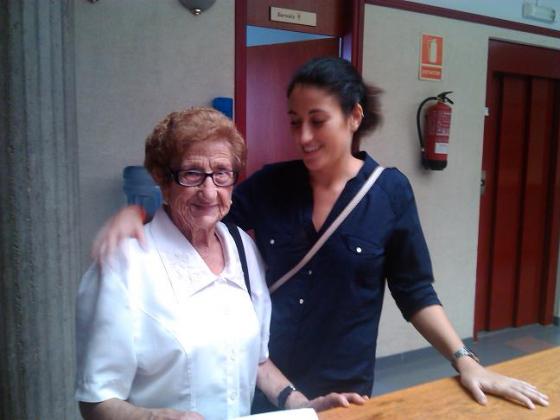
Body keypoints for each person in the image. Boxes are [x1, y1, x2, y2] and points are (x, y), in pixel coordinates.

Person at [92, 58, 549, 412]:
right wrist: (137, 212)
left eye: (317, 120)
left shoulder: (389, 192)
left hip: (342, 388)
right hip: (261, 381)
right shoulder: (271, 184)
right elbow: (201, 211)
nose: (304, 136)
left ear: (354, 116)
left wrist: (465, 359)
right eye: (294, 121)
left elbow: (414, 290)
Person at [75, 107, 366, 420]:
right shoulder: (125, 265)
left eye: (222, 173)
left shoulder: (243, 248)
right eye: (192, 173)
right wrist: (156, 418)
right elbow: (96, 401)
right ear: (163, 179)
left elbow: (257, 360)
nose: (209, 191)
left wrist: (302, 404)